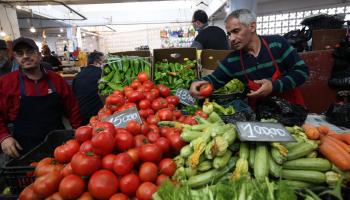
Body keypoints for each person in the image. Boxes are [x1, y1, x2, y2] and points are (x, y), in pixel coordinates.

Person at [190, 9, 309, 107]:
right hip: (260, 118)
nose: (231, 38)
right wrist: (196, 83)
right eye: (229, 34)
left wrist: (274, 85)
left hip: (291, 111)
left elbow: (302, 72)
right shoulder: (233, 60)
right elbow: (213, 80)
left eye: (236, 31)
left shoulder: (277, 44)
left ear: (252, 26)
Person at [0, 37, 82, 158]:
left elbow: (73, 109)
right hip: (24, 147)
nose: (25, 56)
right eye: (20, 53)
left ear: (39, 55)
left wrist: (79, 134)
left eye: (30, 51)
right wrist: (4, 137)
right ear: (15, 57)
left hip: (59, 146)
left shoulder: (56, 80)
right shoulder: (6, 83)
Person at [72, 51, 104, 125]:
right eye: (103, 61)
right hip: (98, 116)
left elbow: (74, 95)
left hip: (82, 115)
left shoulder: (78, 76)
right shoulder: (102, 74)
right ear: (97, 62)